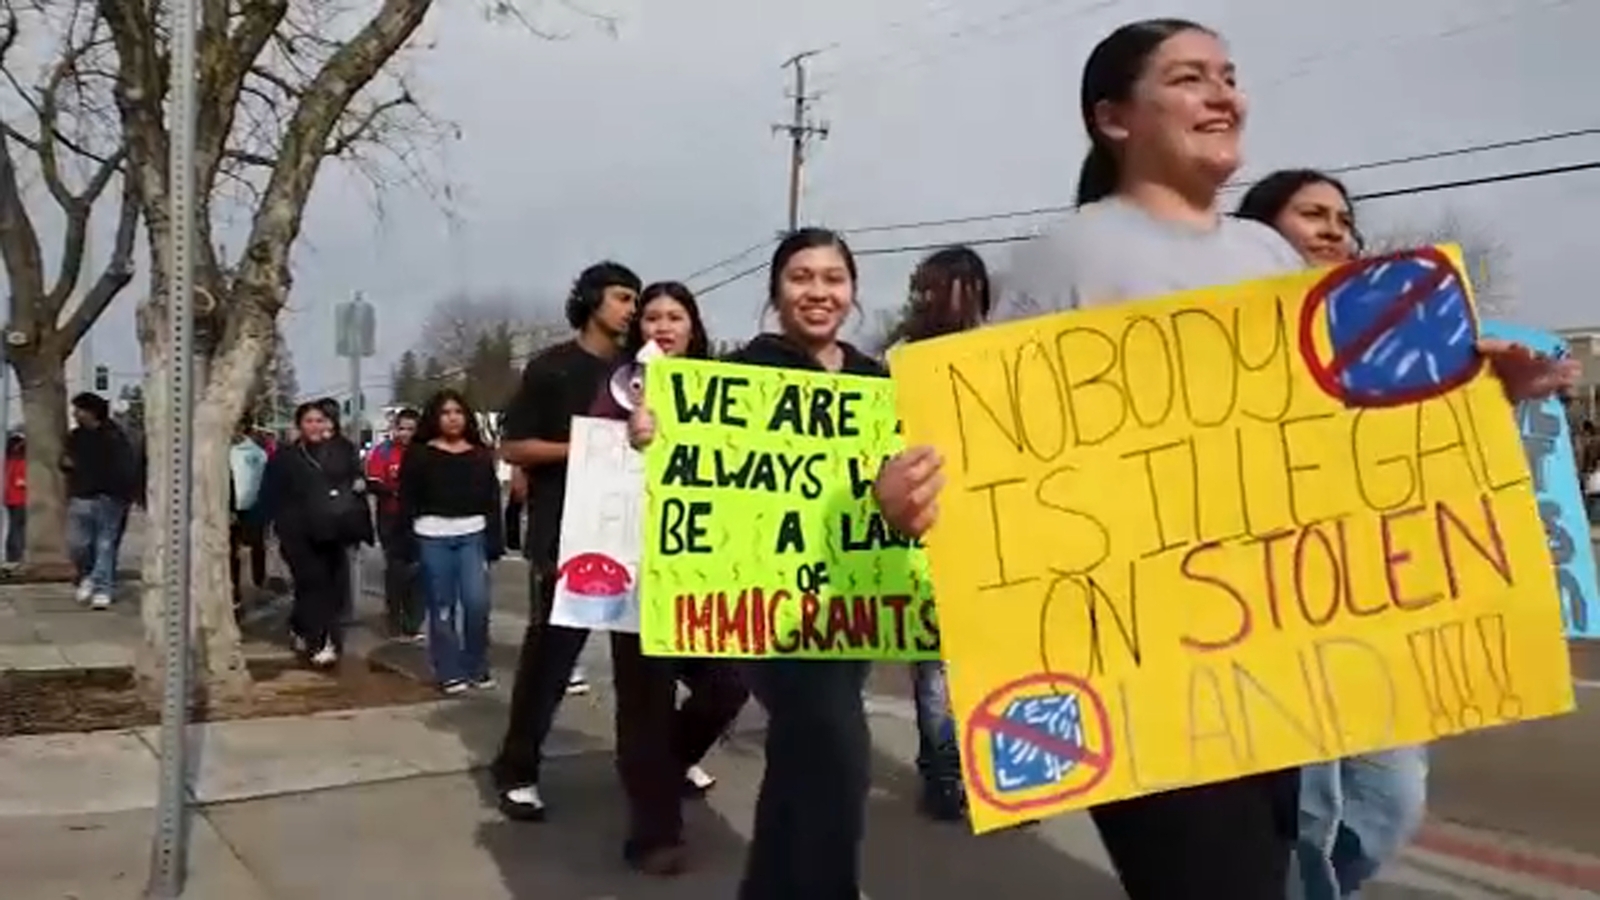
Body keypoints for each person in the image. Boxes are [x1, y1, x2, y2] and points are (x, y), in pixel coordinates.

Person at [874, 20, 1581, 900]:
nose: (1223, 95)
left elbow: (1342, 437)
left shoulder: (1269, 256)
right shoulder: (1073, 255)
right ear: (1114, 118)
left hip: (1275, 662)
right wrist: (907, 493)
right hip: (1141, 670)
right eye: (1189, 78)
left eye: (1229, 76)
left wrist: (1485, 400)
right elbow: (986, 442)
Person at [1234, 166, 1577, 899]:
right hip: (1266, 612)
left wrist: (1500, 397)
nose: (1333, 228)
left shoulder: (1393, 339)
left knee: (1389, 805)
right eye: (1311, 213)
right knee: (1310, 812)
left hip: (1375, 608)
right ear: (1257, 232)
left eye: (1342, 217)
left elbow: (1442, 463)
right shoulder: (1220, 337)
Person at [633, 229, 883, 899]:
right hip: (770, 612)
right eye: (801, 277)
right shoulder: (742, 373)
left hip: (852, 603)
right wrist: (655, 435)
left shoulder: (875, 379)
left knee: (803, 760)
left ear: (852, 292)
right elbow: (691, 458)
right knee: (839, 752)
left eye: (833, 278)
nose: (818, 291)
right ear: (776, 292)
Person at [586, 281, 750, 875]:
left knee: (728, 685)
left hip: (705, 572)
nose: (661, 325)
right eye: (651, 316)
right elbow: (594, 461)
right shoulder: (616, 388)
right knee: (645, 701)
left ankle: (656, 768)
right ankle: (654, 832)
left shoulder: (726, 387)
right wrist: (630, 436)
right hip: (635, 568)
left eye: (674, 316)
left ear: (693, 326)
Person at [491, 260, 641, 820]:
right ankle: (518, 769)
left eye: (636, 299)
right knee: (552, 659)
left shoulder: (641, 370)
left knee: (647, 666)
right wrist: (588, 447)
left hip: (633, 535)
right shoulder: (551, 369)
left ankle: (654, 766)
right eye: (623, 297)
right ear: (591, 301)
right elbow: (514, 448)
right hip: (564, 535)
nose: (631, 308)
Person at [882, 246, 992, 822]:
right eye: (922, 288)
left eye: (941, 287)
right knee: (937, 669)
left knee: (994, 664)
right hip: (928, 531)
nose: (929, 299)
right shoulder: (901, 359)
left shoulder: (1002, 350)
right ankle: (944, 777)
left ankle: (998, 778)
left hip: (994, 532)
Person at [399, 389, 503, 694]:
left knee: (477, 603)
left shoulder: (480, 454)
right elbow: (407, 500)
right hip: (432, 536)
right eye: (445, 413)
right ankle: (449, 670)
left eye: (458, 412)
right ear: (435, 417)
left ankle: (476, 665)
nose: (453, 418)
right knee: (441, 607)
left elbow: (491, 499)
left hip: (473, 534)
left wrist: (495, 541)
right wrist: (406, 541)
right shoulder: (419, 454)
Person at [263, 401, 373, 667]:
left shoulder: (341, 450)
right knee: (314, 585)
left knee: (330, 587)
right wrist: (264, 527)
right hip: (297, 533)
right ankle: (321, 642)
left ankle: (302, 627)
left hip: (332, 530)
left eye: (320, 420)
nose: (315, 426)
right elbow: (269, 494)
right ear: (299, 425)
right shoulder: (286, 456)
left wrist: (359, 485)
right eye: (309, 421)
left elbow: (355, 479)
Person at [63, 392, 137, 609]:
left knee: (105, 544)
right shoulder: (75, 437)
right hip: (80, 496)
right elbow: (66, 461)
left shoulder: (114, 436)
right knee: (78, 544)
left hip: (109, 498)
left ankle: (103, 588)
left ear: (91, 412)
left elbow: (125, 467)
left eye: (79, 409)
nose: (75, 414)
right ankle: (88, 575)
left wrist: (123, 494)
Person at [367, 408, 424, 640]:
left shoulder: (423, 453)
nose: (406, 434)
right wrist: (394, 491)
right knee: (396, 569)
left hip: (419, 519)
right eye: (402, 428)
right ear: (394, 429)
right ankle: (394, 620)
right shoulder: (384, 451)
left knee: (419, 570)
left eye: (411, 429)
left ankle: (414, 623)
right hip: (391, 518)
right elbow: (373, 481)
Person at [228, 416, 271, 608]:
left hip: (253, 507)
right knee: (231, 552)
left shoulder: (258, 453)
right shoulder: (224, 451)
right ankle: (234, 589)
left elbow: (265, 480)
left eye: (238, 426)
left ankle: (258, 582)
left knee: (256, 547)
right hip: (230, 508)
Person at [4, 433, 24, 566]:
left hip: (10, 499)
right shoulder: (21, 463)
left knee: (14, 528)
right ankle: (16, 556)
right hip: (21, 499)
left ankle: (12, 555)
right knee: (18, 529)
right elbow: (21, 482)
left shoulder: (7, 463)